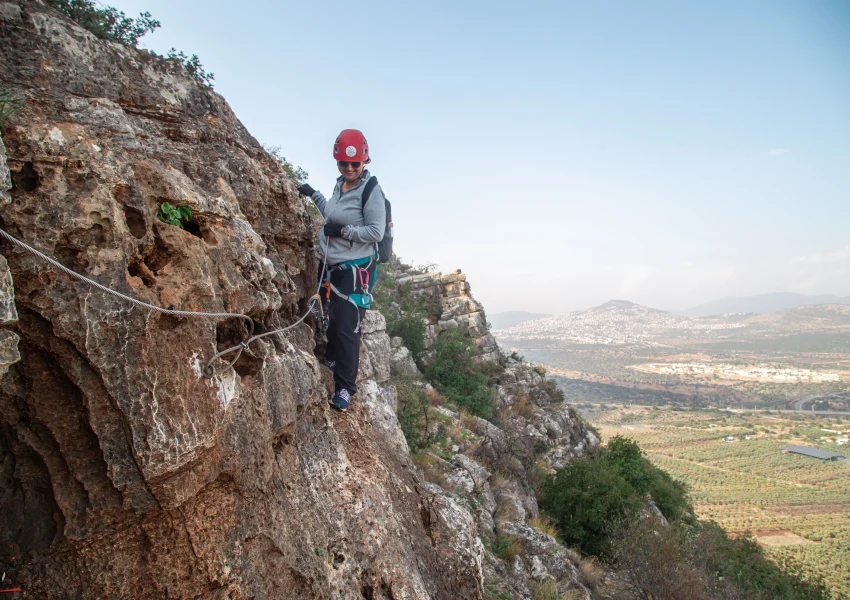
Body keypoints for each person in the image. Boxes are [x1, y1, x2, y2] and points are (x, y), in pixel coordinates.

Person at [297, 129, 386, 411]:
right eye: (343, 163)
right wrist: (314, 194)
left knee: (348, 328)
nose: (349, 168)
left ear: (364, 162)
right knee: (333, 318)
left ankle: (345, 388)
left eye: (355, 164)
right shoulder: (340, 185)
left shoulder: (371, 190)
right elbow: (332, 215)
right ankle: (333, 359)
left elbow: (376, 231)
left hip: (355, 270)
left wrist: (344, 231)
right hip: (332, 265)